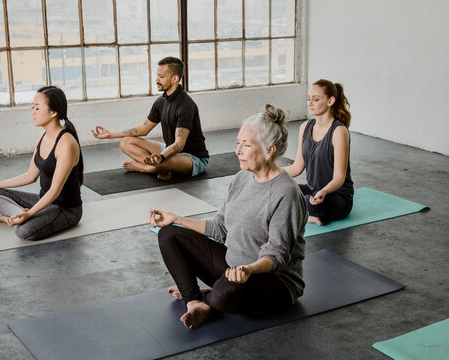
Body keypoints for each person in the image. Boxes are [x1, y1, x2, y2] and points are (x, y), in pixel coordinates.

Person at [150, 105, 307, 329]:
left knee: (226, 293)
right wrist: (176, 219)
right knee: (169, 234)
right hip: (233, 269)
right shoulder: (241, 178)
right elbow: (220, 228)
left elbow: (278, 255)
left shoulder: (287, 193)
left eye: (247, 144)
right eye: (237, 143)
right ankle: (195, 301)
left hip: (273, 282)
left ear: (269, 151)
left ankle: (209, 297)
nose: (238, 151)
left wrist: (248, 270)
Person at [0, 86, 84, 241]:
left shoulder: (66, 143)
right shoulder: (41, 136)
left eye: (37, 108)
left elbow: (54, 191)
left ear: (53, 112)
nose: (33, 112)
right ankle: (17, 215)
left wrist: (30, 214)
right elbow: (30, 175)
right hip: (43, 201)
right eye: (33, 107)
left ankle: (16, 217)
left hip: (65, 210)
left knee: (24, 232)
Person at [91, 56, 209, 180]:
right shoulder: (161, 102)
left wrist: (161, 157)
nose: (156, 80)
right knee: (126, 142)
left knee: (162, 162)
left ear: (175, 79)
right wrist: (110, 135)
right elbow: (144, 129)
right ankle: (159, 168)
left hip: (192, 157)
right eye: (157, 75)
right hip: (169, 149)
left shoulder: (185, 105)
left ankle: (146, 168)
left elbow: (179, 144)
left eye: (161, 77)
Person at [285, 79, 354, 225]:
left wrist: (323, 192)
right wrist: (270, 175)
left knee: (312, 203)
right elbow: (297, 167)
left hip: (335, 196)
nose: (310, 103)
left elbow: (339, 178)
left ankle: (305, 214)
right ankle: (308, 217)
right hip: (312, 191)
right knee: (281, 189)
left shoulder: (339, 131)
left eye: (315, 99)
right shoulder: (305, 127)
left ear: (330, 101)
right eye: (308, 99)